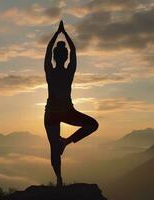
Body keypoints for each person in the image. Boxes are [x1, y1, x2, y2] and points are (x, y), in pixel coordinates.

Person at [44, 20, 99, 187]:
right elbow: (71, 51)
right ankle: (59, 179)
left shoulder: (53, 71)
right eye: (61, 54)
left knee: (91, 126)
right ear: (61, 57)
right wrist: (63, 33)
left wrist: (59, 33)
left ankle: (64, 145)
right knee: (56, 148)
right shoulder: (63, 71)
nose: (62, 56)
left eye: (62, 54)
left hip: (60, 112)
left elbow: (50, 50)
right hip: (59, 113)